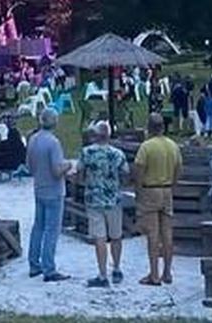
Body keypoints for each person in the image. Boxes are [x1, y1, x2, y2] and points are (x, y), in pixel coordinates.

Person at [78, 122, 129, 287]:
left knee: (99, 237)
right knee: (116, 236)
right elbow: (126, 173)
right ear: (108, 135)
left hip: (94, 199)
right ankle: (117, 268)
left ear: (95, 135)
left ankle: (102, 274)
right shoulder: (117, 154)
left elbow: (79, 172)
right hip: (113, 199)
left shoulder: (87, 152)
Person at [134, 112, 182, 286]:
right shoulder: (173, 146)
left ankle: (154, 274)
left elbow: (139, 170)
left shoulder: (146, 147)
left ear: (149, 127)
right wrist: (172, 185)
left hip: (150, 190)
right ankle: (167, 272)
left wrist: (139, 192)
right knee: (167, 233)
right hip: (167, 190)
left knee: (153, 234)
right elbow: (178, 168)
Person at [26, 108, 72, 282]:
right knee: (52, 230)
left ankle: (33, 264)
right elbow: (56, 170)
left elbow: (29, 167)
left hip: (39, 188)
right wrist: (67, 165)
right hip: (54, 191)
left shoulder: (33, 139)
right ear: (55, 122)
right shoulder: (53, 143)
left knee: (38, 227)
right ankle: (49, 268)